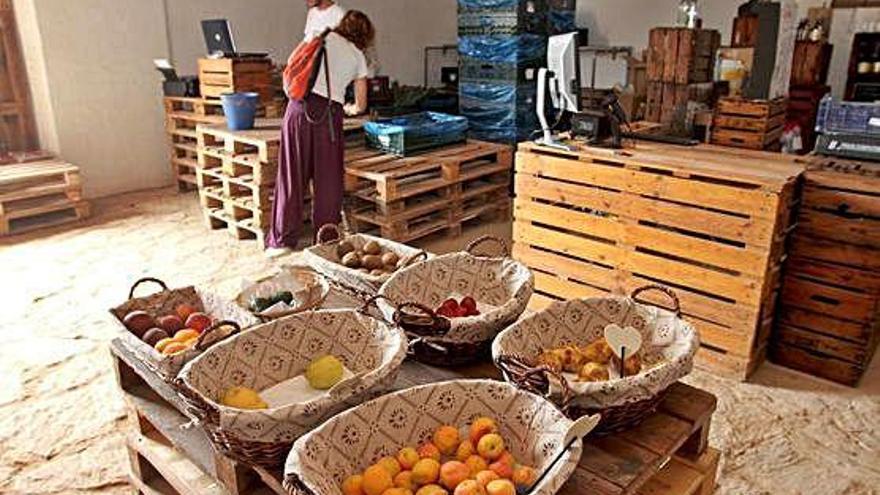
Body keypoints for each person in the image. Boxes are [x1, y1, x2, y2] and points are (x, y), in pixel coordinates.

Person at [266, 10, 374, 254]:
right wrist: (349, 108)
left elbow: (290, 70)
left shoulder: (319, 36)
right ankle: (325, 241)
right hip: (329, 115)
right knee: (328, 180)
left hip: (298, 110)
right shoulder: (358, 57)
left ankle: (282, 242)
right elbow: (361, 105)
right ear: (365, 36)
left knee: (291, 174)